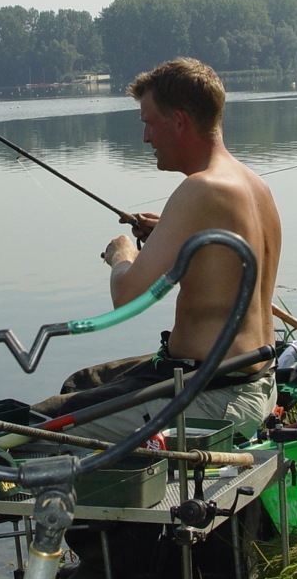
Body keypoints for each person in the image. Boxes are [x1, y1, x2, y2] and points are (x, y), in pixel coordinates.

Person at [32, 57, 281, 443]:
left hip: (214, 397)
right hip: (250, 381)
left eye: (149, 123)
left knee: (34, 426)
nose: (146, 137)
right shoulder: (253, 185)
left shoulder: (201, 189)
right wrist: (168, 231)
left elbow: (127, 298)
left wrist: (122, 255)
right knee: (80, 383)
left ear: (179, 121)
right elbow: (221, 262)